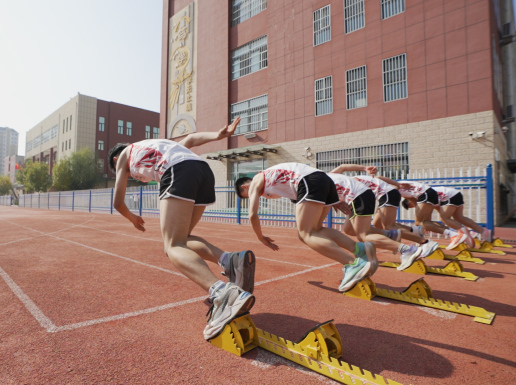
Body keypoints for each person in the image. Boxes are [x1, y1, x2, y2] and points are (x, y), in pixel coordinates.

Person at [109, 117, 256, 341]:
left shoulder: (124, 157)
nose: (131, 177)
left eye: (128, 174)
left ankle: (222, 293)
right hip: (203, 171)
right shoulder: (157, 144)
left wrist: (132, 218)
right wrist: (218, 135)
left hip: (178, 171)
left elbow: (117, 202)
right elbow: (190, 138)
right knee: (184, 238)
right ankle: (229, 259)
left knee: (172, 246)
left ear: (117, 159)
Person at [234, 163, 378, 292]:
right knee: (317, 230)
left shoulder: (257, 180)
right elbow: (296, 192)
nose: (254, 197)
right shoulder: (274, 179)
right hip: (324, 181)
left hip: (310, 181)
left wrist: (261, 238)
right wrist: (332, 198)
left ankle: (352, 264)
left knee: (305, 234)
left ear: (244, 187)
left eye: (247, 196)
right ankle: (360, 248)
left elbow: (252, 215)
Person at [326, 169, 438, 270]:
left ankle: (423, 243)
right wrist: (397, 184)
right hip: (374, 196)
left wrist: (397, 185)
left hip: (382, 194)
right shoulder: (343, 180)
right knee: (354, 228)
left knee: (382, 228)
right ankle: (399, 233)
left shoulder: (347, 181)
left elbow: (346, 171)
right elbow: (345, 168)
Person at [393, 180, 474, 250]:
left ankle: (454, 235)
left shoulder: (390, 188)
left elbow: (392, 202)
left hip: (426, 194)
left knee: (420, 223)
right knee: (424, 223)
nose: (413, 207)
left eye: (411, 207)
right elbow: (415, 202)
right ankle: (453, 232)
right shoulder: (406, 193)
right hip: (430, 193)